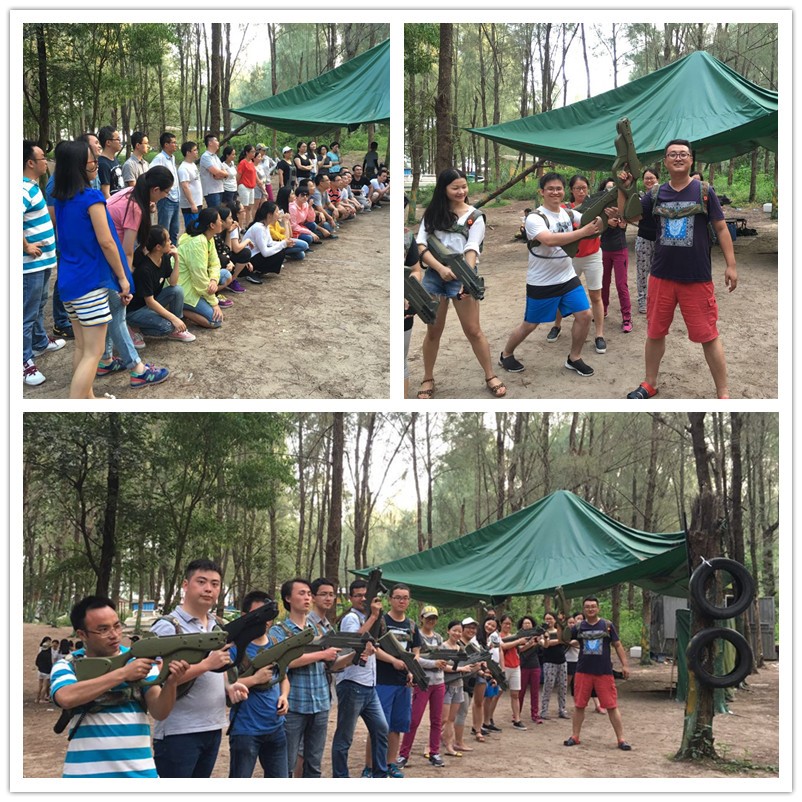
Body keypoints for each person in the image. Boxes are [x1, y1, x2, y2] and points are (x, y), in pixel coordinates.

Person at [618, 139, 737, 399]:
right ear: (665, 161)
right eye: (673, 154)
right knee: (654, 332)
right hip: (661, 276)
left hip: (696, 277)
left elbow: (720, 228)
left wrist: (731, 265)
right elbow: (630, 216)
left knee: (708, 335)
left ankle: (723, 392)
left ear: (691, 159)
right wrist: (623, 188)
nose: (678, 158)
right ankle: (649, 383)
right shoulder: (655, 194)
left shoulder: (704, 191)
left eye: (683, 154)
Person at [51, 595, 189, 778]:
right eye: (103, 629)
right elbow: (65, 697)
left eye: (117, 626)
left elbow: (159, 711)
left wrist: (171, 682)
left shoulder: (140, 660)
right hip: (84, 774)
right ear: (82, 635)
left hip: (140, 774)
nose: (114, 634)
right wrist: (123, 674)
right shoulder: (68, 665)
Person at [151, 559, 249, 777]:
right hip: (178, 732)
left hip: (213, 726)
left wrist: (228, 687)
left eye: (215, 584)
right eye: (201, 582)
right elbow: (156, 677)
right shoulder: (168, 626)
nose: (208, 589)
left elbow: (219, 666)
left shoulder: (217, 625)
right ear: (185, 585)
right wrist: (206, 665)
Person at [498, 172, 601, 379]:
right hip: (542, 282)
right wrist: (583, 232)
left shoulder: (568, 214)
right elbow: (549, 240)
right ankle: (506, 354)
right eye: (550, 189)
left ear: (564, 191)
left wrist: (604, 216)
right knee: (530, 324)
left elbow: (592, 220)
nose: (555, 192)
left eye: (559, 188)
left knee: (585, 315)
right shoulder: (535, 217)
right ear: (542, 192)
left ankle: (574, 357)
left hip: (567, 277)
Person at [51, 139, 133, 399]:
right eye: (92, 162)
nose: (97, 165)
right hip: (89, 285)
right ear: (79, 166)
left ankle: (88, 398)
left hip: (68, 283)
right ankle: (77, 403)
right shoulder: (91, 198)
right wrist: (122, 278)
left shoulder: (61, 199)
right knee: (94, 352)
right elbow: (107, 242)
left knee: (82, 348)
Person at [415, 167, 507, 399]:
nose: (461, 191)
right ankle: (428, 377)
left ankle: (490, 375)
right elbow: (421, 244)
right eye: (455, 187)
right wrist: (440, 268)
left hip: (462, 277)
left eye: (464, 186)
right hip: (434, 277)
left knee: (473, 330)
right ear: (443, 189)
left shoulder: (475, 217)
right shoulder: (432, 214)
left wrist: (466, 276)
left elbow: (472, 248)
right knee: (433, 331)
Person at [268, 578, 340, 778]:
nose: (307, 598)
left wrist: (358, 655)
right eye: (301, 593)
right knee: (286, 764)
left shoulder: (321, 630)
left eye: (309, 594)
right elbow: (282, 662)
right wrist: (322, 654)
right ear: (288, 598)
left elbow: (333, 664)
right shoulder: (278, 631)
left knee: (314, 764)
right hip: (294, 706)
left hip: (321, 704)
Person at [227, 590, 290, 778]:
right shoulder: (233, 649)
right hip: (245, 729)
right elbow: (224, 686)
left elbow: (284, 677)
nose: (264, 620)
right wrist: (255, 679)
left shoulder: (277, 643)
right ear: (245, 616)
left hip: (276, 727)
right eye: (258, 614)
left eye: (267, 614)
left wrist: (284, 696)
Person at [331, 578, 389, 779]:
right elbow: (352, 641)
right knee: (345, 737)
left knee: (381, 729)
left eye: (365, 595)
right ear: (350, 598)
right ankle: (341, 777)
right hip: (352, 684)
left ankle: (380, 774)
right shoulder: (351, 618)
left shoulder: (370, 618)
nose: (362, 599)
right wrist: (373, 617)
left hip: (369, 685)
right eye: (358, 596)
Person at [547, 174, 607, 355]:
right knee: (562, 292)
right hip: (571, 257)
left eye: (584, 188)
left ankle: (599, 334)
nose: (581, 191)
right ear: (571, 191)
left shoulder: (597, 207)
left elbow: (602, 225)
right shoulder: (566, 210)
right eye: (577, 188)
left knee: (596, 295)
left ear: (589, 188)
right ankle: (557, 325)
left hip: (593, 255)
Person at [563, 596, 632, 751]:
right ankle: (575, 736)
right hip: (583, 672)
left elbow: (617, 645)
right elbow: (564, 638)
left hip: (604, 672)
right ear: (583, 609)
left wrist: (625, 665)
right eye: (587, 607)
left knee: (611, 706)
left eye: (593, 606)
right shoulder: (578, 627)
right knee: (579, 705)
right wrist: (562, 624)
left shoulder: (607, 625)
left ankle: (621, 739)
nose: (590, 609)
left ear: (598, 608)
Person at [23, 139, 63, 387]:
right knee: (26, 313)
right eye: (41, 159)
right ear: (30, 163)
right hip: (30, 264)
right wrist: (25, 246)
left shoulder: (32, 186)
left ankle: (39, 342)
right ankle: (23, 361)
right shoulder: (21, 188)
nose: (46, 162)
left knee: (38, 305)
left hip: (43, 261)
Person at [374, 584, 421, 776]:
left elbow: (416, 651)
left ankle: (391, 763)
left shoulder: (411, 625)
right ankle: (375, 765)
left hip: (403, 683)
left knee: (397, 726)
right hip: (382, 681)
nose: (402, 601)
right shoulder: (381, 621)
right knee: (379, 726)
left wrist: (411, 668)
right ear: (390, 599)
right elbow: (374, 649)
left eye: (405, 598)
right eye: (398, 597)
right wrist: (393, 661)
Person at [397, 605, 448, 769]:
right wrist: (433, 663)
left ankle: (434, 752)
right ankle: (403, 754)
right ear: (422, 619)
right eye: (428, 618)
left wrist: (443, 662)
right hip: (423, 682)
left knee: (437, 720)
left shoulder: (439, 637)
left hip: (439, 682)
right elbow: (415, 658)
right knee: (414, 719)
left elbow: (443, 657)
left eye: (434, 618)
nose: (431, 621)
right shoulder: (416, 635)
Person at [126, 226, 195, 342]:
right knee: (167, 326)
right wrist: (173, 319)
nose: (171, 242)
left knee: (177, 290)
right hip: (136, 311)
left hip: (150, 304)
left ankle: (177, 330)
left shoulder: (164, 258)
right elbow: (150, 301)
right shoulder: (144, 269)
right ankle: (133, 327)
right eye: (168, 240)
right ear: (158, 247)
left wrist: (177, 259)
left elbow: (173, 282)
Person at [178, 207, 233, 329]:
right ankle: (179, 309)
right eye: (220, 220)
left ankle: (204, 298)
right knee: (215, 321)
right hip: (185, 287)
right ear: (212, 225)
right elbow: (199, 279)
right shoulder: (198, 243)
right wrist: (214, 303)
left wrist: (213, 280)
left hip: (198, 283)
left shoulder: (209, 237)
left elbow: (215, 263)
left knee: (226, 275)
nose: (222, 223)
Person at [598, 176, 633, 333]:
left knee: (621, 284)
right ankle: (602, 309)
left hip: (620, 249)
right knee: (603, 282)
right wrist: (607, 223)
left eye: (613, 188)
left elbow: (625, 225)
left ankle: (627, 317)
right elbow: (595, 228)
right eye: (607, 188)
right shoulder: (600, 207)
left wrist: (621, 224)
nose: (610, 191)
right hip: (604, 249)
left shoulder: (622, 205)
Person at [635, 168, 660, 314]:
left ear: (657, 179)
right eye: (646, 178)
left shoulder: (664, 195)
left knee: (659, 271)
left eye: (652, 178)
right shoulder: (640, 197)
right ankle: (642, 300)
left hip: (661, 239)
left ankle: (657, 298)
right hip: (644, 238)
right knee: (642, 271)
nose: (649, 180)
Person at [242, 202, 290, 277]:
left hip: (255, 255)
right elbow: (265, 252)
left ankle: (261, 270)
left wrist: (285, 242)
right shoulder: (259, 228)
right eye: (276, 212)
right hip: (249, 259)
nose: (279, 214)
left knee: (280, 250)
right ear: (269, 215)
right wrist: (283, 244)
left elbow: (270, 243)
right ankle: (257, 271)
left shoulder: (265, 226)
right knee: (279, 252)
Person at [150, 132, 181, 245]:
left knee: (175, 230)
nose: (175, 145)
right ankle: (162, 253)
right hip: (166, 199)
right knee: (164, 231)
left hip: (176, 198)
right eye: (173, 143)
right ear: (166, 144)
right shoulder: (160, 158)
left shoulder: (172, 158)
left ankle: (172, 252)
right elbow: (151, 173)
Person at [498, 614, 528, 730]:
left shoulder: (513, 636)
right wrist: (518, 641)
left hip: (515, 666)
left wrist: (530, 643)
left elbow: (519, 649)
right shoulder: (498, 636)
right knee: (497, 694)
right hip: (504, 667)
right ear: (501, 624)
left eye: (510, 624)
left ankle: (517, 719)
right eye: (505, 623)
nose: (507, 626)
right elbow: (503, 646)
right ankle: (488, 718)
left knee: (515, 694)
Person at [539, 611, 569, 720]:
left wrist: (558, 640)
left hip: (562, 661)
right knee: (548, 686)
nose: (548, 621)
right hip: (549, 662)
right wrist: (557, 640)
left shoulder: (559, 631)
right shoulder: (542, 633)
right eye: (546, 619)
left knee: (563, 686)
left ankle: (562, 710)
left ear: (555, 620)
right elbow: (545, 645)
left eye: (550, 618)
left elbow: (566, 640)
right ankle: (544, 711)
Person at [516, 615, 544, 723]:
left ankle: (535, 714)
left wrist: (543, 639)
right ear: (521, 625)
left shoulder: (537, 635)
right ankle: (516, 714)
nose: (527, 625)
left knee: (535, 692)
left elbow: (544, 644)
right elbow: (520, 649)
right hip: (523, 666)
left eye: (529, 623)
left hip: (535, 666)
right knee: (520, 692)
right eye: (525, 623)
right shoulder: (519, 636)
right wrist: (531, 643)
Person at [178, 141, 203, 231]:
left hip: (198, 202)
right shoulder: (183, 168)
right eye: (194, 150)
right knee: (192, 229)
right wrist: (192, 204)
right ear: (188, 152)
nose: (197, 152)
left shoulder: (193, 165)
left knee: (198, 227)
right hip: (190, 206)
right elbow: (185, 187)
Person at [199, 134, 228, 208]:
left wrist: (224, 174)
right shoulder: (205, 157)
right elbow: (216, 172)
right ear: (210, 143)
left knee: (219, 212)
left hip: (220, 189)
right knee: (214, 212)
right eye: (216, 140)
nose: (218, 142)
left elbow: (225, 172)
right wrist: (223, 174)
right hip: (211, 191)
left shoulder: (216, 157)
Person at [97, 126, 126, 197]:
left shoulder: (115, 160)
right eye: (118, 139)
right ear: (108, 142)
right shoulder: (103, 164)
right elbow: (106, 193)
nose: (120, 142)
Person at [237, 144, 258, 227]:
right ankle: (241, 226)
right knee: (244, 207)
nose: (254, 154)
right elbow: (238, 175)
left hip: (251, 187)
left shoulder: (251, 162)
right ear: (247, 152)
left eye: (254, 152)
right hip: (244, 186)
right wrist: (237, 185)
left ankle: (248, 225)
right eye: (252, 152)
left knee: (250, 207)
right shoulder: (243, 163)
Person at [35, 636, 53, 703]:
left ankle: (37, 699)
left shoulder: (40, 654)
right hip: (46, 672)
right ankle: (42, 699)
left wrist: (40, 667)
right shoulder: (48, 655)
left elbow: (36, 662)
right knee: (45, 686)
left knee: (40, 686)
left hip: (40, 671)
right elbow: (49, 664)